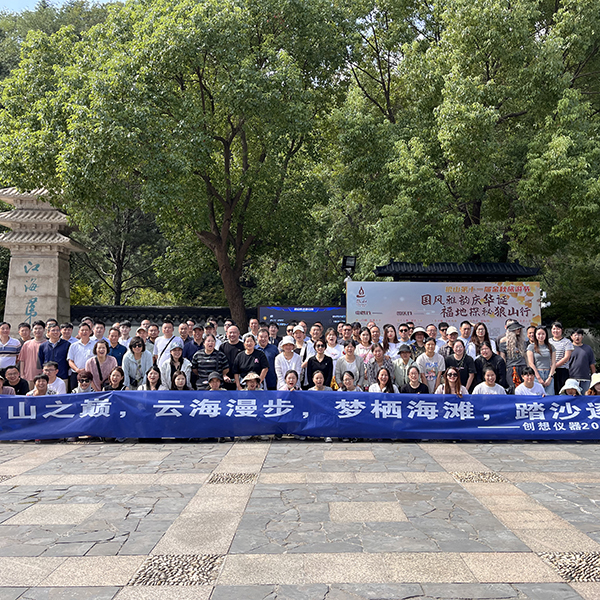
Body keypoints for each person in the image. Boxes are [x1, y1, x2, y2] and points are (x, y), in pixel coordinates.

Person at [526, 326, 556, 395]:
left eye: (543, 334)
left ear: (546, 335)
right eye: (539, 334)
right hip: (537, 373)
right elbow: (531, 363)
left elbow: (554, 363)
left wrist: (550, 377)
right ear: (535, 335)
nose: (541, 336)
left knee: (549, 396)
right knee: (538, 395)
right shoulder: (531, 347)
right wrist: (538, 377)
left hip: (549, 373)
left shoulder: (551, 347)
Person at [499, 321, 528, 389]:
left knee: (525, 388)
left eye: (519, 328)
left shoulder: (523, 341)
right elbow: (503, 358)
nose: (519, 330)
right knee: (513, 388)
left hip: (523, 366)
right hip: (511, 368)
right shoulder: (503, 342)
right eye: (516, 328)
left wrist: (528, 367)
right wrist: (505, 369)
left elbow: (526, 356)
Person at [67, 322, 95, 391]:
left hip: (91, 374)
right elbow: (70, 360)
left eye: (86, 330)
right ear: (79, 332)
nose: (84, 332)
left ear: (90, 332)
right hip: (76, 374)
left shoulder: (95, 345)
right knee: (75, 393)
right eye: (82, 330)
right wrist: (77, 370)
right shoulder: (73, 345)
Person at [18, 319, 45, 386]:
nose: (37, 330)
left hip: (44, 377)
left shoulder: (47, 344)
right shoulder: (27, 344)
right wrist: (22, 374)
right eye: (35, 328)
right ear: (32, 330)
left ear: (44, 330)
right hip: (28, 376)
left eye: (40, 328)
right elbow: (22, 360)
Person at [569, 329, 596, 393]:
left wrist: (594, 377)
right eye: (575, 335)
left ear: (582, 337)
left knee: (585, 397)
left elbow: (592, 364)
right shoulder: (568, 348)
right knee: (572, 397)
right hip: (571, 378)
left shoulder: (588, 348)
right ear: (571, 337)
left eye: (579, 335)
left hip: (585, 378)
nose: (577, 337)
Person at [549, 321, 573, 392]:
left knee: (561, 391)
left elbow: (566, 357)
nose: (556, 331)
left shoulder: (567, 342)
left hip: (562, 370)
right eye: (554, 329)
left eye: (558, 329)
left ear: (562, 330)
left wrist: (555, 366)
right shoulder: (548, 341)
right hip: (549, 370)